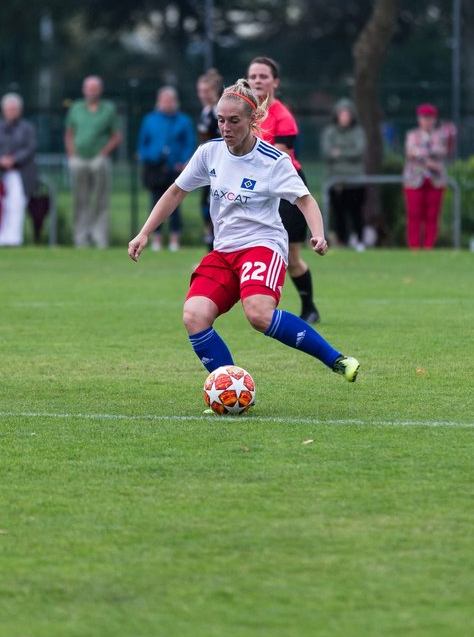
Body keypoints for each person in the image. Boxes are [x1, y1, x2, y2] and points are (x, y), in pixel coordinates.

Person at [127, 79, 360, 393]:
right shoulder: (209, 153)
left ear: (253, 120)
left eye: (233, 121)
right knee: (194, 316)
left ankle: (337, 360)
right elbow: (175, 191)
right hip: (223, 251)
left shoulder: (273, 161)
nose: (225, 127)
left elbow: (305, 199)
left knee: (258, 314)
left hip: (262, 246)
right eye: (221, 120)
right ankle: (231, 389)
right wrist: (144, 233)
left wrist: (317, 234)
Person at [247, 56, 320, 323]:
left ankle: (309, 307)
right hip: (256, 189)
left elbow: (277, 158)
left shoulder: (282, 116)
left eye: (263, 76)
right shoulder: (245, 114)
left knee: (291, 256)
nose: (257, 80)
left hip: (285, 189)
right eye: (253, 76)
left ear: (275, 81)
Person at [66, 76, 122, 248]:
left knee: (100, 200)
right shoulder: (75, 108)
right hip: (79, 159)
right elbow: (69, 133)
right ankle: (80, 239)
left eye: (95, 88)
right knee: (79, 200)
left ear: (100, 90)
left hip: (99, 159)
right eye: (89, 88)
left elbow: (116, 135)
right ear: (84, 90)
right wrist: (72, 155)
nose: (92, 91)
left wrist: (103, 153)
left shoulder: (108, 109)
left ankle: (99, 239)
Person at [138, 86, 196, 251]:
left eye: (170, 100)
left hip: (174, 168)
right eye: (164, 100)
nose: (167, 104)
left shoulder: (183, 121)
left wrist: (184, 161)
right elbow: (143, 143)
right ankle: (154, 239)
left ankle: (174, 239)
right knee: (155, 202)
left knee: (175, 204)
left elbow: (189, 143)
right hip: (155, 168)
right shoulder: (150, 120)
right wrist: (149, 157)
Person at [0, 92, 37, 247]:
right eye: (9, 108)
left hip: (20, 173)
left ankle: (14, 240)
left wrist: (14, 159)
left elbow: (29, 147)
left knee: (16, 206)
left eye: (15, 109)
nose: (12, 111)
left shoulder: (27, 128)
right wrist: (0, 159)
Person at [403, 104, 451, 250]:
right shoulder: (412, 135)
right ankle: (414, 246)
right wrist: (430, 161)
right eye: (424, 118)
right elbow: (411, 152)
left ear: (434, 119)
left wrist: (421, 155)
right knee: (414, 214)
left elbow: (441, 151)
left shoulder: (440, 136)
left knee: (432, 215)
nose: (426, 121)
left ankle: (429, 245)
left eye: (429, 118)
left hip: (435, 181)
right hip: (415, 180)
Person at [321, 98, 367, 251]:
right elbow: (327, 152)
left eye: (347, 114)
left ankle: (360, 240)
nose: (344, 117)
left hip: (355, 181)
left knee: (356, 213)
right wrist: (346, 153)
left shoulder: (358, 132)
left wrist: (339, 153)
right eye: (342, 114)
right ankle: (341, 241)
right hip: (336, 181)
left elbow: (358, 151)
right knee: (338, 214)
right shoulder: (330, 132)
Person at [194, 68, 223, 249]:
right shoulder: (206, 112)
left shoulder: (221, 112)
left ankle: (218, 251)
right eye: (200, 91)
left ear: (215, 91)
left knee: (218, 210)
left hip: (222, 169)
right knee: (207, 208)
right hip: (209, 169)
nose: (203, 95)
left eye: (207, 91)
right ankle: (211, 253)